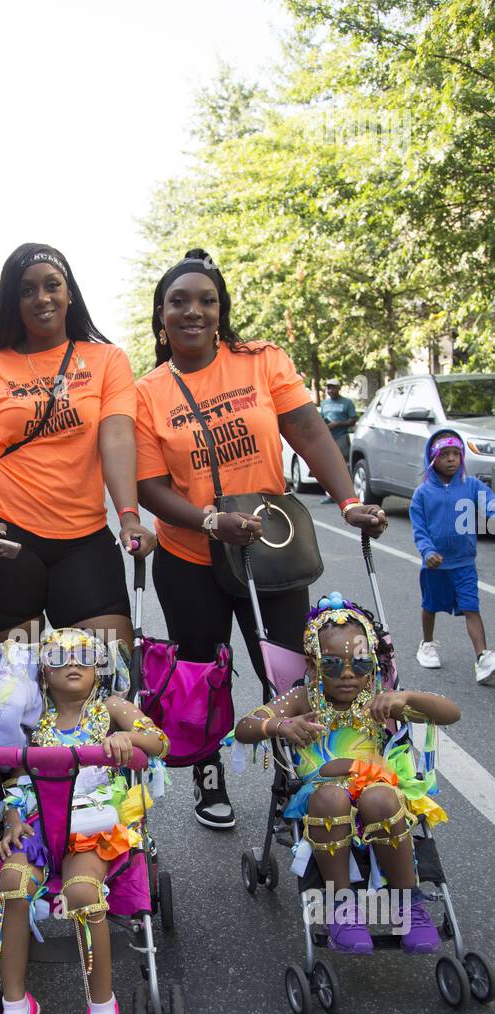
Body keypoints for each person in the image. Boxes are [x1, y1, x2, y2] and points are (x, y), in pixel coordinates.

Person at [135, 249, 388, 830]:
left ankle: (291, 775)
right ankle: (207, 771)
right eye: (180, 302)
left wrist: (349, 500)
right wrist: (206, 520)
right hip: (189, 553)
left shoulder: (261, 360)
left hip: (269, 549)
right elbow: (147, 485)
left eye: (207, 301)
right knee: (202, 670)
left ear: (222, 311)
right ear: (161, 314)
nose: (193, 311)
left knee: (286, 672)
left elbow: (308, 431)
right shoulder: (146, 391)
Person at [0, 243, 155, 651]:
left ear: (70, 294)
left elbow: (116, 438)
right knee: (14, 693)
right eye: (26, 290)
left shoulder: (106, 359)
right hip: (6, 538)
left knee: (106, 678)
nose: (41, 298)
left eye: (51, 286)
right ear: (13, 301)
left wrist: (129, 516)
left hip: (83, 541)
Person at [0, 628, 168, 1014]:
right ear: (44, 672)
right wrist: (12, 818)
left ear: (99, 667)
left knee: (84, 893)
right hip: (36, 824)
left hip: (91, 826)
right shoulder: (32, 718)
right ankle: (16, 1010)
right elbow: (12, 781)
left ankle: (102, 1012)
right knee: (11, 885)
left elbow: (159, 742)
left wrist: (126, 741)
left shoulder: (111, 709)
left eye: (86, 654)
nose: (74, 662)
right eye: (60, 656)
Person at [235, 594, 459, 953]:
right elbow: (245, 726)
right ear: (312, 664)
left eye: (361, 664)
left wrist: (406, 699)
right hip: (321, 792)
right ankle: (341, 908)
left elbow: (450, 713)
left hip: (376, 787)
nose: (349, 675)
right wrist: (280, 725)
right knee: (331, 796)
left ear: (372, 663)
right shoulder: (304, 698)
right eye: (334, 665)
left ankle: (407, 905)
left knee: (382, 797)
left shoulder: (378, 697)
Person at [410, 430, 495, 685]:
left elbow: (489, 501)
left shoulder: (471, 485)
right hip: (435, 564)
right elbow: (420, 529)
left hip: (464, 564)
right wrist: (428, 552)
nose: (451, 459)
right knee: (430, 606)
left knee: (471, 607)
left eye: (456, 454)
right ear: (432, 458)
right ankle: (427, 644)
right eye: (444, 454)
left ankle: (482, 657)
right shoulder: (423, 493)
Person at [319, 379, 357, 473]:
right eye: (328, 388)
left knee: (344, 464)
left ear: (339, 388)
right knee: (328, 463)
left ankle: (346, 486)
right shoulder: (324, 403)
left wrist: (337, 424)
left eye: (333, 388)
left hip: (341, 437)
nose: (330, 390)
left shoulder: (347, 402)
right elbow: (321, 418)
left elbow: (353, 420)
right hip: (327, 437)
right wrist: (324, 424)